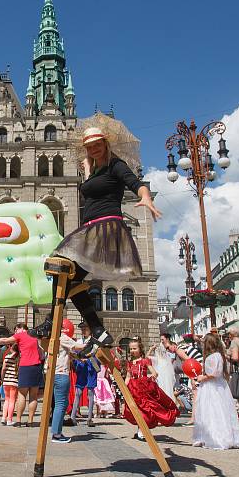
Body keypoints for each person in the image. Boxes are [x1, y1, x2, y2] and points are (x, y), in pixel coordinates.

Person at [32, 126, 162, 355]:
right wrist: (88, 169)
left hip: (105, 228)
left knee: (59, 265)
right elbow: (90, 186)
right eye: (89, 146)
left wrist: (146, 197)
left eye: (97, 144)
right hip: (90, 229)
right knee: (67, 278)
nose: (93, 149)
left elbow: (134, 182)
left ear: (106, 143)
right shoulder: (94, 170)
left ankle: (53, 321)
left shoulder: (116, 165)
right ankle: (98, 330)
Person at [0, 323, 46, 427]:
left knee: (22, 395)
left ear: (22, 329)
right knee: (33, 397)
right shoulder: (35, 336)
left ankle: (18, 420)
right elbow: (41, 352)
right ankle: (30, 421)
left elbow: (4, 340)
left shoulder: (21, 335)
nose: (16, 332)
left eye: (17, 329)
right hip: (36, 366)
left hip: (25, 366)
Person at [192, 333, 239, 450]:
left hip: (212, 386)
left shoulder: (213, 356)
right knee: (218, 410)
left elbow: (215, 373)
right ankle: (209, 436)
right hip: (218, 386)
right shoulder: (218, 355)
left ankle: (217, 437)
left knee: (214, 411)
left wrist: (203, 378)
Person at [123, 337, 179, 440]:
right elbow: (128, 376)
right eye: (131, 349)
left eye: (135, 348)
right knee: (136, 409)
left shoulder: (145, 360)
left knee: (144, 409)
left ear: (140, 349)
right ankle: (140, 430)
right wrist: (124, 388)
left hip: (142, 389)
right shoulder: (130, 362)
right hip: (133, 389)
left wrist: (148, 379)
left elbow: (154, 373)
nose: (132, 351)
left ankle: (142, 431)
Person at [71, 322, 98, 427]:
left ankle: (90, 418)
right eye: (82, 329)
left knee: (90, 393)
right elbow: (75, 353)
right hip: (82, 368)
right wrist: (78, 359)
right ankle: (73, 416)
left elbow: (96, 354)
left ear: (90, 330)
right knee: (78, 392)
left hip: (91, 368)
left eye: (85, 328)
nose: (83, 330)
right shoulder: (79, 341)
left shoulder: (94, 342)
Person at [150, 341, 177, 405]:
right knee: (167, 392)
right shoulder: (167, 361)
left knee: (161, 392)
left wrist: (151, 349)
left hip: (160, 380)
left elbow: (145, 357)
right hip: (167, 381)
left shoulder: (156, 359)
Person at [0, 343, 19, 426]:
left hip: (6, 381)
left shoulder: (7, 357)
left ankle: (3, 418)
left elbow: (3, 369)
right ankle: (9, 419)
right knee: (12, 401)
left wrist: (2, 378)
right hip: (14, 381)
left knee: (6, 400)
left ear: (11, 347)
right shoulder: (18, 358)